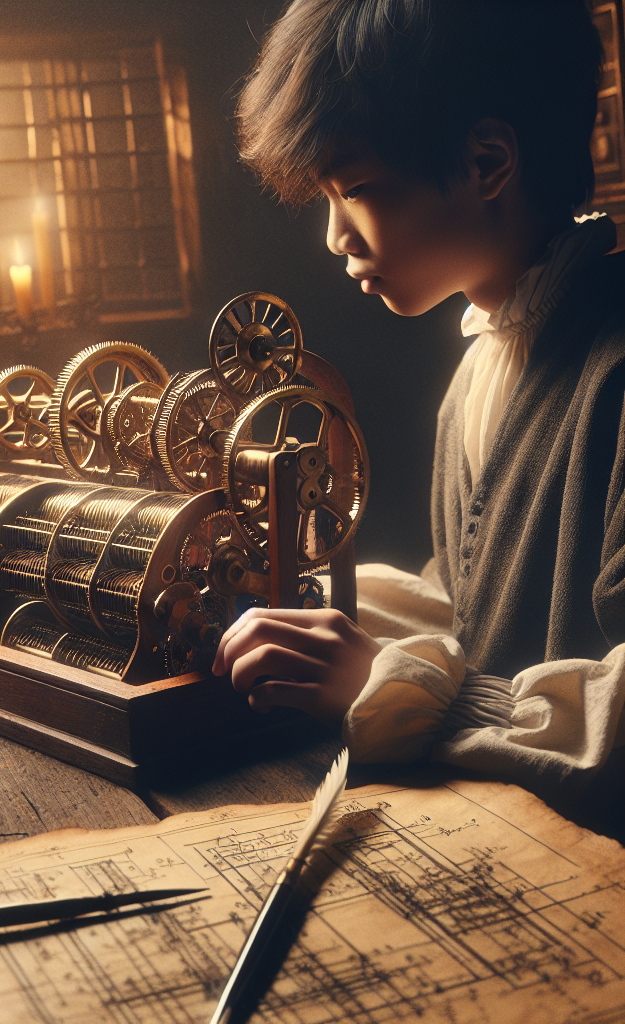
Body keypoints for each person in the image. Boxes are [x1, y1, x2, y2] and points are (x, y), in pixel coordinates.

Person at [213, 0, 625, 799]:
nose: (337, 237)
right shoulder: (480, 372)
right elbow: (470, 609)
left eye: (358, 188)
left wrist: (392, 687)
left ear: (486, 163)